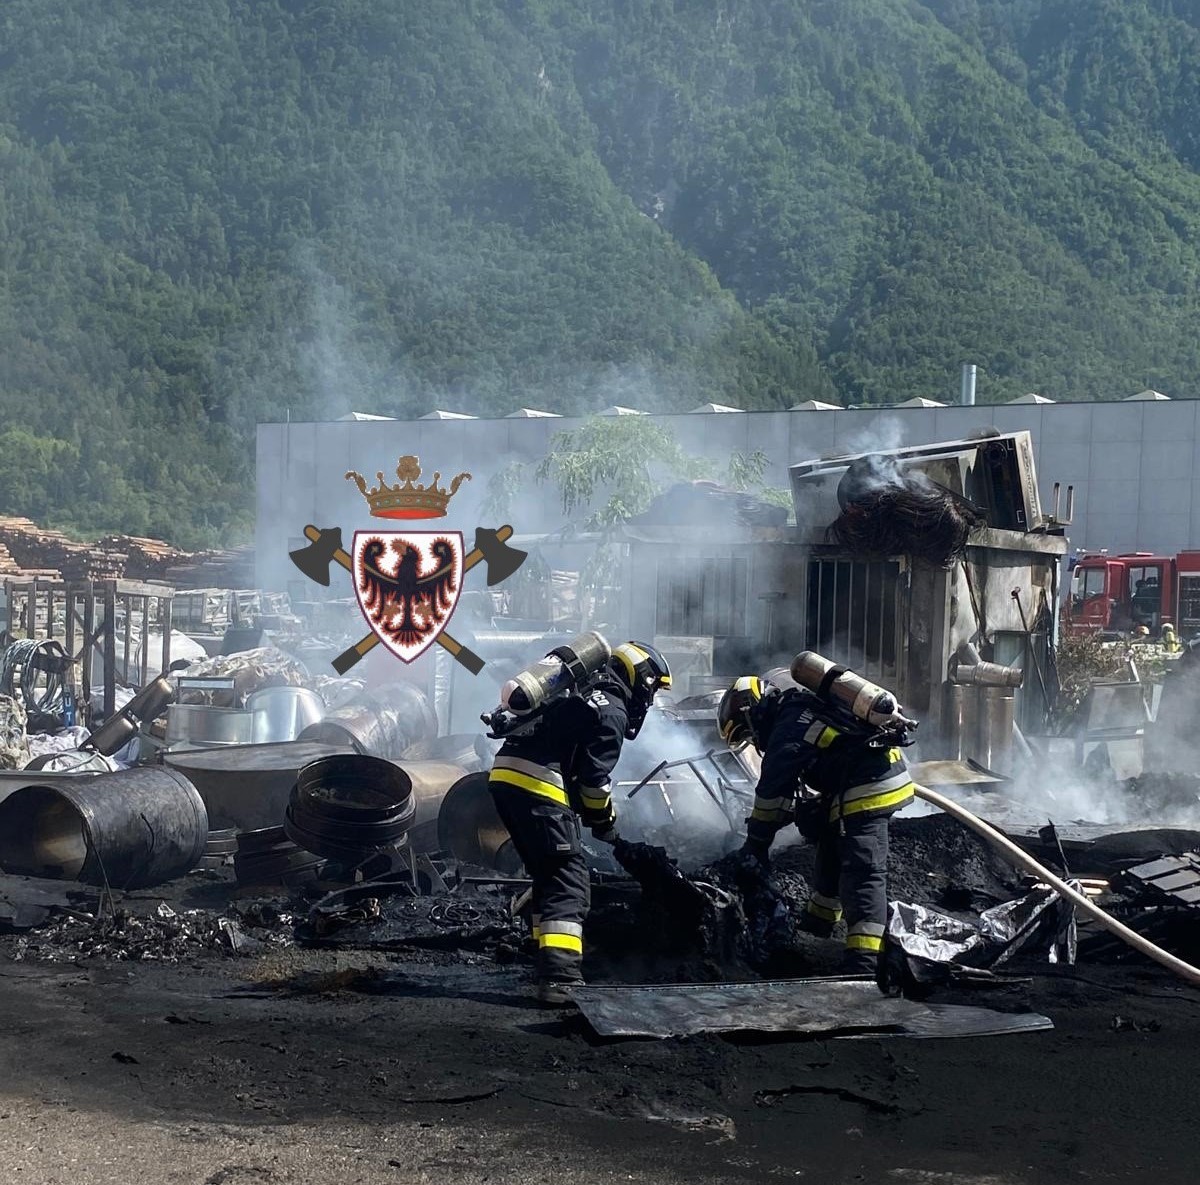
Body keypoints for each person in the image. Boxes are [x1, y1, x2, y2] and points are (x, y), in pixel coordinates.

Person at [488, 641, 672, 1004]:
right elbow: (594, 784)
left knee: (547, 873)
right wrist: (605, 823)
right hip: (538, 784)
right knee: (568, 879)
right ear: (643, 678)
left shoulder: (583, 691)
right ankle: (561, 978)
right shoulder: (613, 709)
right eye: (652, 690)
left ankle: (542, 955)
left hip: (505, 777)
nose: (649, 700)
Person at [718, 672, 915, 974]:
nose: (755, 740)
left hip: (868, 789)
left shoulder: (789, 723)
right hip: (851, 787)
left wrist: (756, 843)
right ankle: (817, 927)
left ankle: (864, 961)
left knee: (861, 873)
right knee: (831, 852)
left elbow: (772, 792)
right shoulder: (799, 710)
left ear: (751, 711)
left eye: (748, 733)